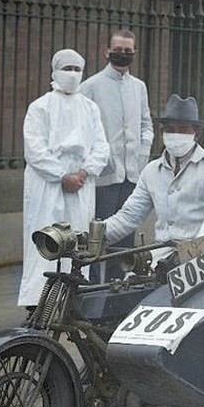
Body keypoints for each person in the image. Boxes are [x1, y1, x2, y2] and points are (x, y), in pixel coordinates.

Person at [18, 49, 110, 306]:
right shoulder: (40, 107)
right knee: (45, 238)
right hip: (47, 184)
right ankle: (38, 301)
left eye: (76, 69)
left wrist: (83, 172)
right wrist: (61, 175)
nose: (72, 74)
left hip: (81, 184)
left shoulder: (90, 108)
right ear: (55, 71)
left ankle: (73, 298)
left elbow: (101, 147)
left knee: (78, 239)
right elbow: (34, 149)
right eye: (66, 68)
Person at [103, 95, 204, 264]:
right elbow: (129, 216)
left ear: (196, 134)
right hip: (160, 256)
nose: (176, 134)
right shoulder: (151, 171)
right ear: (162, 133)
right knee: (129, 281)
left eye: (183, 129)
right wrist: (95, 235)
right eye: (170, 129)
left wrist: (195, 250)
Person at [80, 29, 154, 281]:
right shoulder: (91, 86)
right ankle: (92, 286)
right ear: (107, 52)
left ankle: (117, 285)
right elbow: (84, 129)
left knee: (125, 237)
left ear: (135, 52)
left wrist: (142, 154)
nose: (123, 54)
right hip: (104, 177)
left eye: (128, 50)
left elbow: (146, 124)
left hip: (132, 174)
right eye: (118, 50)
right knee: (97, 235)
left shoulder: (139, 87)